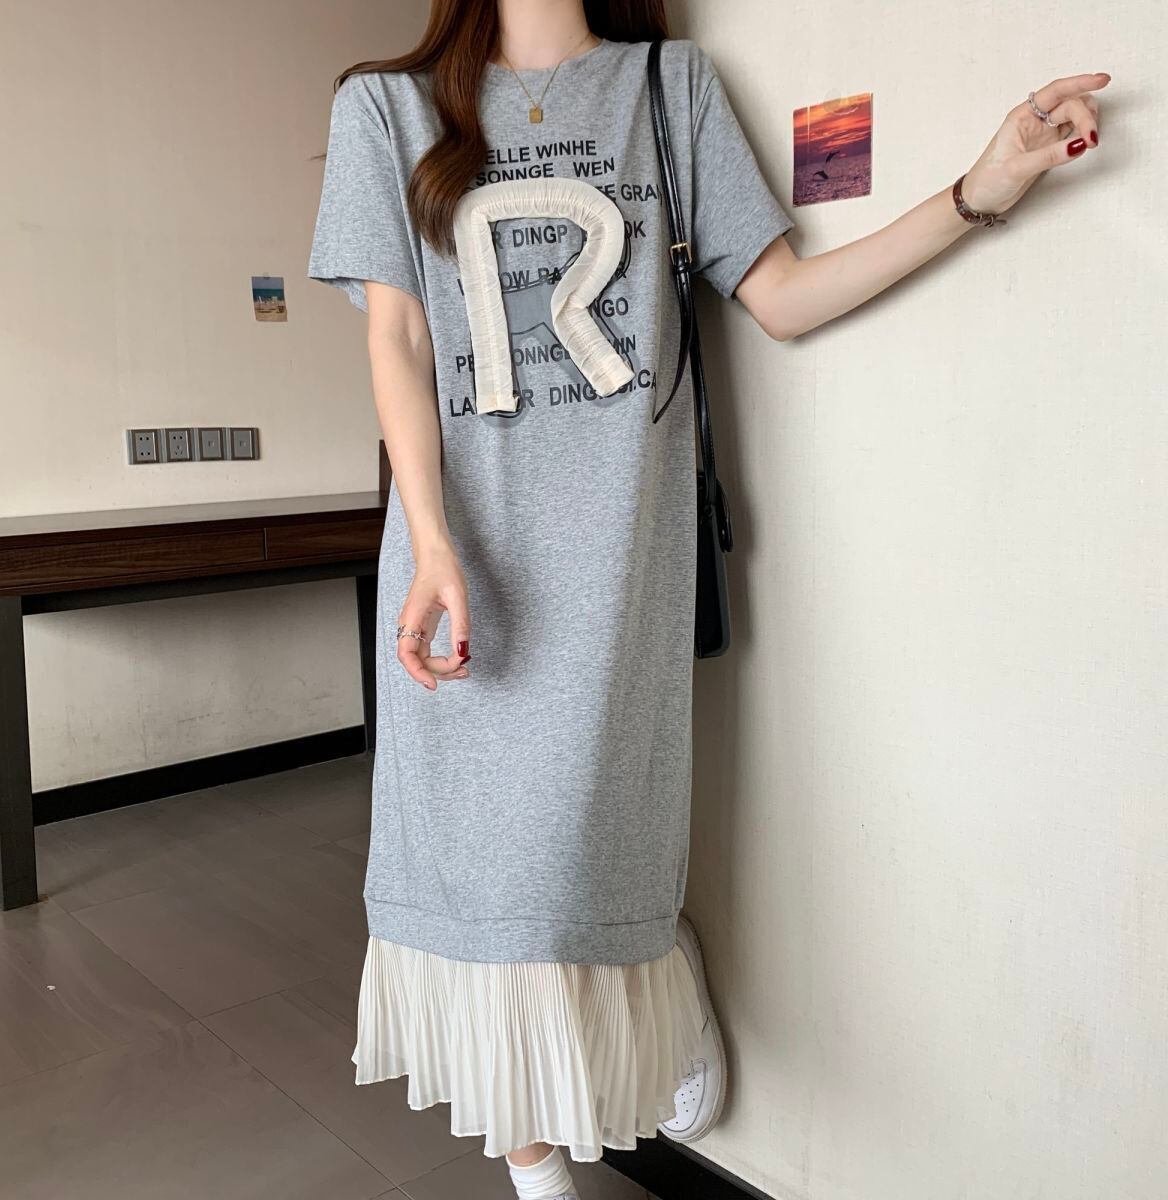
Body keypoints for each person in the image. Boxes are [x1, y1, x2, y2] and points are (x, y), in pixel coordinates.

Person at [307, 1, 1108, 1195]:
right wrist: (429, 540)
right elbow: (401, 342)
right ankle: (541, 1175)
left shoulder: (666, 89)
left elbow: (780, 297)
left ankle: (659, 973)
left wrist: (977, 191)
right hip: (458, 570)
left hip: (618, 567)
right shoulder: (385, 108)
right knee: (481, 890)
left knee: (586, 851)